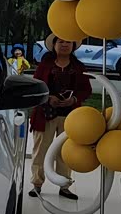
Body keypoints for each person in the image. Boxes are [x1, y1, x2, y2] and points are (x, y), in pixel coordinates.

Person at [28, 34, 91, 200]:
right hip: (45, 115)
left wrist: (74, 99)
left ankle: (64, 186)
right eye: (61, 41)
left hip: (70, 117)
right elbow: (36, 86)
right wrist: (49, 98)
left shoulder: (78, 67)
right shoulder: (44, 65)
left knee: (65, 152)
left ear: (73, 46)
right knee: (40, 151)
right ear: (54, 45)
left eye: (68, 42)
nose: (64, 45)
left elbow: (86, 90)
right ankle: (37, 184)